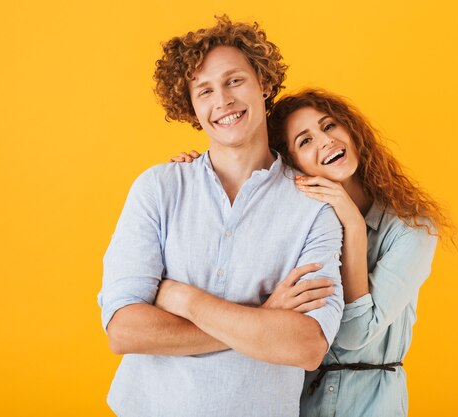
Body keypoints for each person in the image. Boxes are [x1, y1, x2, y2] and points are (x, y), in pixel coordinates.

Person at [97, 17, 345, 417]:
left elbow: (307, 346)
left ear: (263, 84)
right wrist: (262, 322)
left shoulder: (313, 205)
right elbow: (125, 330)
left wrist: (187, 300)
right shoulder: (158, 188)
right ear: (192, 107)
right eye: (205, 90)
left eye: (234, 81)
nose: (223, 101)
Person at [173, 89, 453, 417]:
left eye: (329, 126)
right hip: (291, 401)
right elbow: (225, 274)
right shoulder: (297, 225)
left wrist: (354, 227)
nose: (325, 141)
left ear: (352, 131)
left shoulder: (412, 228)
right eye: (305, 141)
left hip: (370, 405)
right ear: (290, 164)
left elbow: (354, 333)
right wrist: (201, 180)